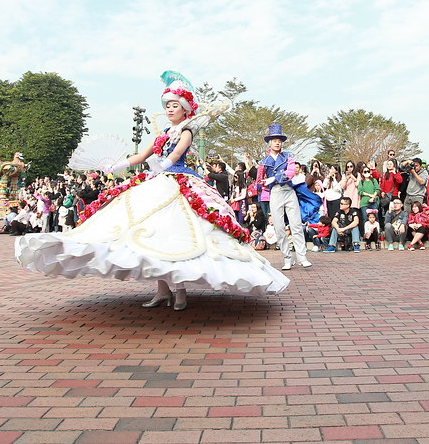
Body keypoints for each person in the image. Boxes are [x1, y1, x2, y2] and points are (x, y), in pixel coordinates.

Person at [16, 72, 289, 311]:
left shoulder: (186, 132)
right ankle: (162, 290)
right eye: (167, 106)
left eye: (174, 105)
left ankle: (179, 290)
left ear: (185, 109)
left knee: (176, 232)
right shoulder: (162, 134)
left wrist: (163, 165)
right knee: (154, 233)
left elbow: (177, 154)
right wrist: (116, 166)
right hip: (157, 179)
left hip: (179, 180)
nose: (170, 109)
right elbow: (141, 156)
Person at [257, 124, 312, 271]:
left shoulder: (288, 156)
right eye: (274, 140)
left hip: (289, 191)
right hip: (275, 193)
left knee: (296, 225)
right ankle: (287, 258)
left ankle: (302, 257)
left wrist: (274, 178)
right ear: (269, 143)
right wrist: (265, 184)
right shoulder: (263, 162)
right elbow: (259, 181)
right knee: (279, 227)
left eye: (279, 140)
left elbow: (291, 172)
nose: (277, 143)